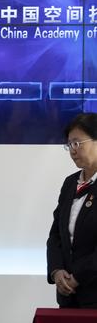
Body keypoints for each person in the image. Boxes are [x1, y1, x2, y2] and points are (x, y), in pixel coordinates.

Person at [47, 112, 97, 308]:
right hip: (68, 295)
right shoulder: (70, 183)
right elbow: (56, 235)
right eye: (69, 145)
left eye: (77, 143)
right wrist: (57, 271)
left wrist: (78, 276)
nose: (72, 150)